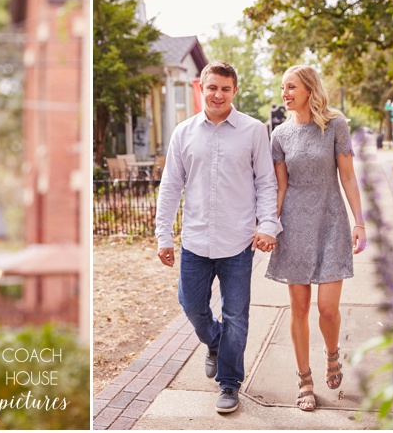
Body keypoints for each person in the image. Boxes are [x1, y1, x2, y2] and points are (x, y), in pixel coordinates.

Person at [154, 61, 281, 416]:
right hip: (194, 240)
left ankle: (229, 383)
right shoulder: (183, 132)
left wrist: (268, 224)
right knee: (191, 305)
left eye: (225, 89)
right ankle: (214, 341)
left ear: (234, 91)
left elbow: (265, 183)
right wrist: (163, 234)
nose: (218, 95)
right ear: (201, 88)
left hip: (238, 241)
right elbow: (170, 188)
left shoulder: (254, 131)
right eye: (212, 88)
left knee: (236, 316)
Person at [264, 65, 367, 412]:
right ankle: (304, 379)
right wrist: (269, 226)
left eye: (291, 86)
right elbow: (280, 187)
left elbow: (349, 178)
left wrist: (360, 222)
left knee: (327, 308)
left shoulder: (335, 126)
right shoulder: (279, 135)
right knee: (298, 308)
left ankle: (332, 352)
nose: (285, 93)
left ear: (309, 89)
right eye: (282, 88)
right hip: (294, 227)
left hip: (331, 223)